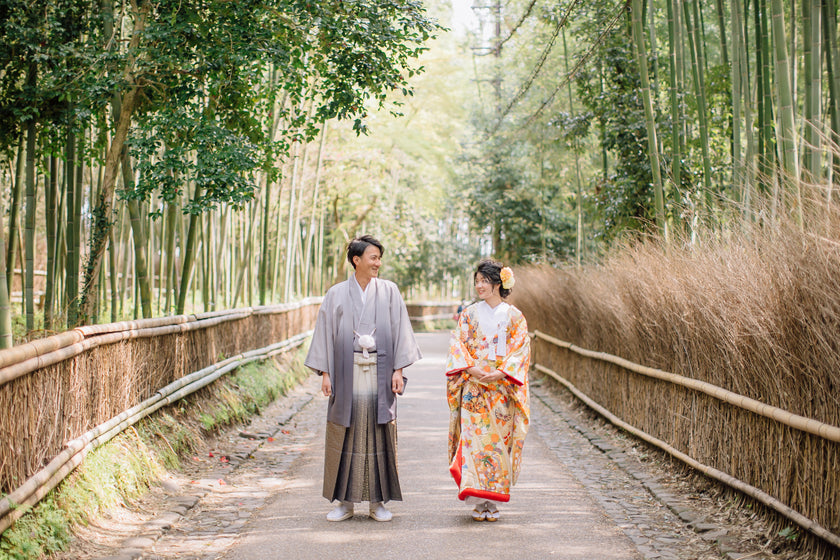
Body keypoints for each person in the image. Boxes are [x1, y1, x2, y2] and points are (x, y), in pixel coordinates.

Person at [305, 235, 422, 522]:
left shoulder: (390, 291)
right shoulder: (336, 294)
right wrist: (326, 373)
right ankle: (345, 503)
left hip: (381, 373)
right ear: (356, 260)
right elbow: (325, 333)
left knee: (379, 431)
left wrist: (398, 370)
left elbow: (400, 330)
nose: (377, 263)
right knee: (345, 432)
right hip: (347, 372)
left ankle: (377, 503)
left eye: (379, 258)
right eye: (373, 257)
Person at [444, 259, 530, 521]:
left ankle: (492, 501)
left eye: (484, 281)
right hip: (474, 386)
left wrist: (502, 372)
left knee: (497, 444)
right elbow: (458, 345)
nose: (479, 285)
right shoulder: (469, 314)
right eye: (477, 281)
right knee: (475, 443)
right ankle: (479, 500)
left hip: (501, 388)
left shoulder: (514, 316)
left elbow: (521, 349)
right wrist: (471, 369)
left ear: (498, 283)